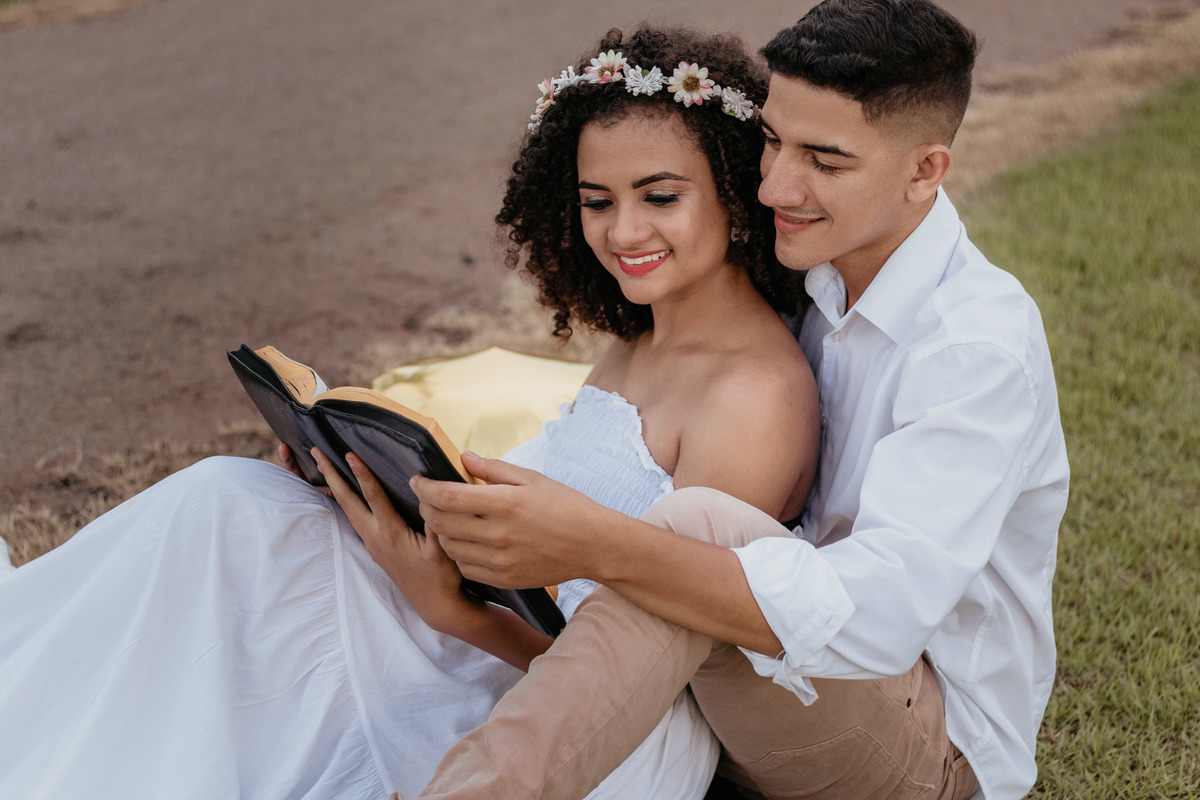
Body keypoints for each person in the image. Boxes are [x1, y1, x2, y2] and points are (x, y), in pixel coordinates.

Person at [0, 26, 818, 800]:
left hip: (558, 702)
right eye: (596, 200)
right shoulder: (647, 339)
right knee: (233, 508)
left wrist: (448, 609)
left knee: (229, 517)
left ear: (736, 193)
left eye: (660, 196)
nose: (623, 230)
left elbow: (658, 668)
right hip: (476, 616)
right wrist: (368, 481)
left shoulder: (754, 395)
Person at [397, 1, 1071, 799]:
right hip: (761, 683)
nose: (777, 184)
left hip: (928, 747)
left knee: (699, 531)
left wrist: (594, 543)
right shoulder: (810, 267)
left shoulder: (974, 347)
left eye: (824, 159)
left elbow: (878, 620)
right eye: (775, 140)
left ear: (924, 171)